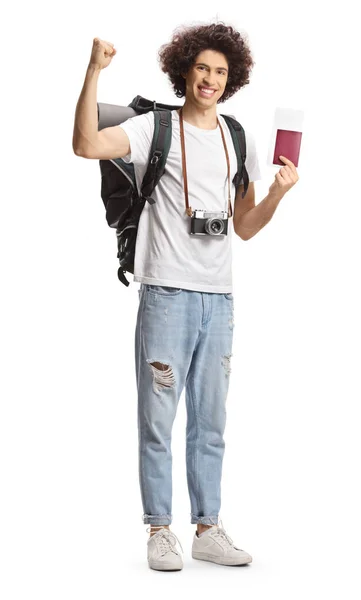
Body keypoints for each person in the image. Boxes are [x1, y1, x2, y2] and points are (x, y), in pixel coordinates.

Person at [73, 22, 299, 571]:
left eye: (221, 72)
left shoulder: (236, 136)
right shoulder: (156, 129)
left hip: (218, 298)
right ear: (184, 70)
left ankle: (208, 527)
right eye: (203, 68)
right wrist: (95, 68)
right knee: (157, 417)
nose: (211, 80)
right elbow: (86, 145)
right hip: (167, 293)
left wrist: (275, 194)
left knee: (211, 420)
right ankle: (159, 529)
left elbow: (243, 227)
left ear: (233, 78)